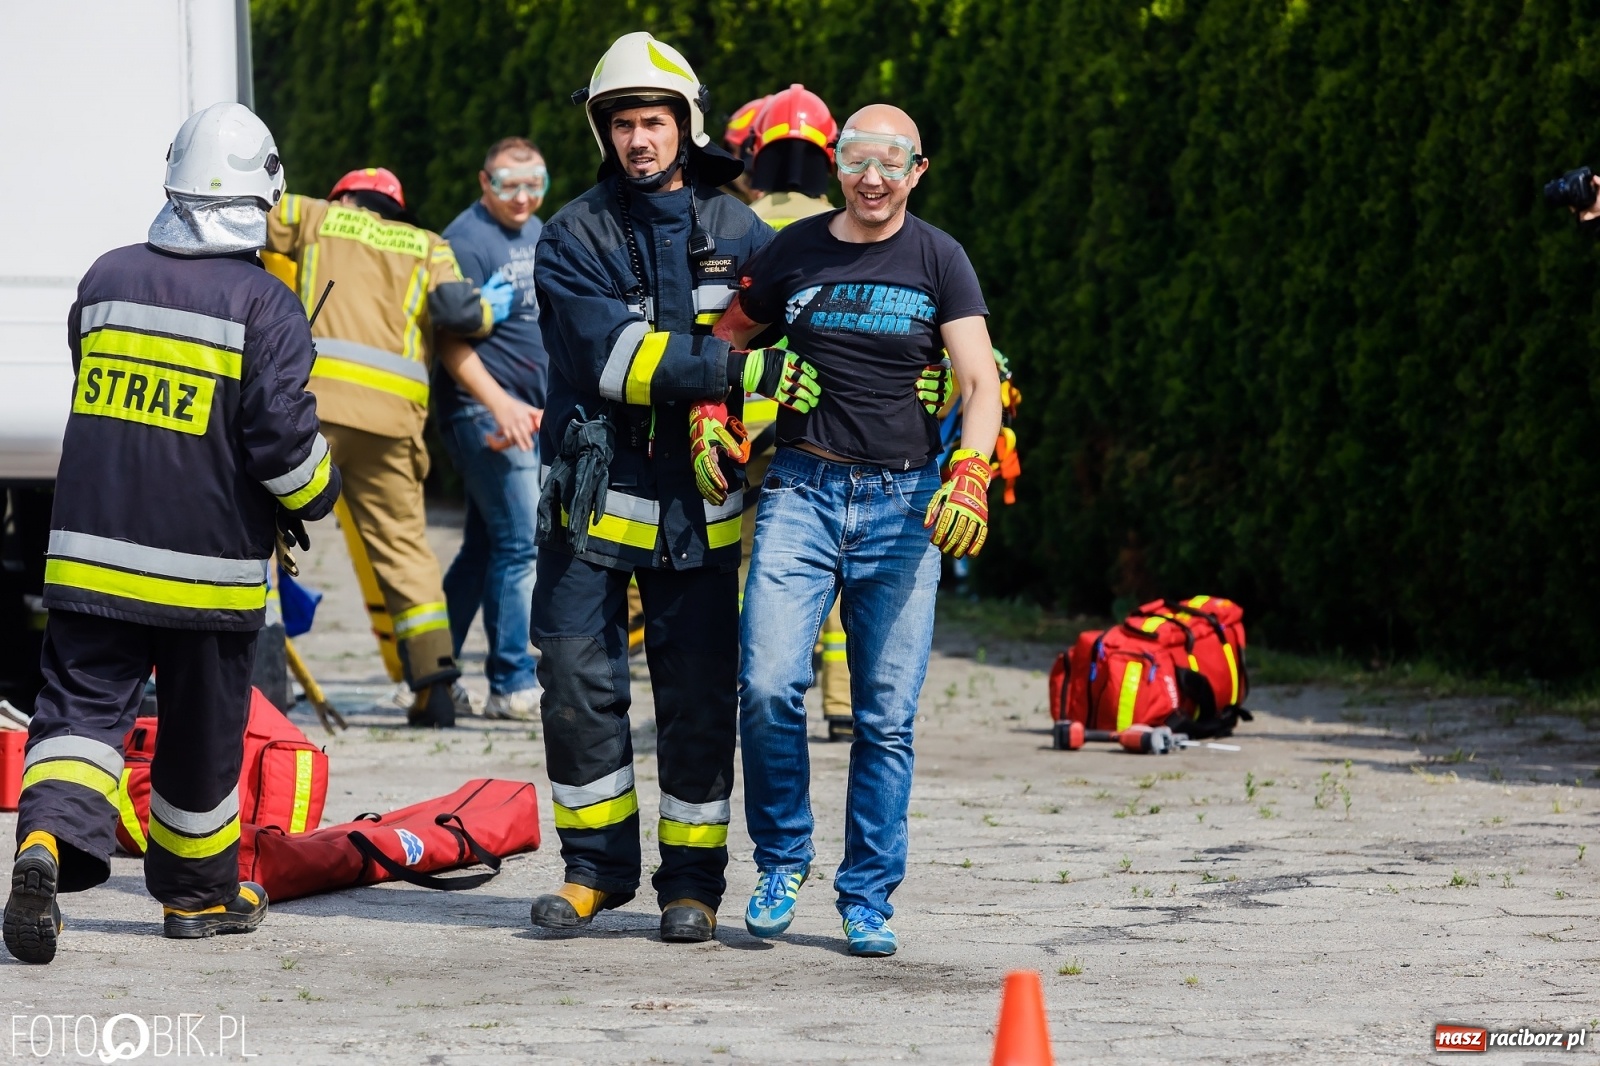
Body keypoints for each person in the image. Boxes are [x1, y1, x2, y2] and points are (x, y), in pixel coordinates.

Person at [3, 103, 341, 964]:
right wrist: (320, 492)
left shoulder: (104, 278)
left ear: (172, 183)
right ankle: (198, 899)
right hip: (207, 575)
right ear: (263, 199)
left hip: (92, 560)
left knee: (78, 717)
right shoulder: (267, 305)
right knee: (200, 737)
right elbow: (282, 446)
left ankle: (42, 844)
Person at [526, 31, 814, 944]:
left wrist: (920, 365)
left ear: (685, 125)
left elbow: (800, 338)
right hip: (591, 500)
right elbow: (611, 360)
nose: (638, 140)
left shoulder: (743, 233)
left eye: (652, 122)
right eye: (622, 125)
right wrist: (733, 373)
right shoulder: (572, 235)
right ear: (603, 132)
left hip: (700, 506)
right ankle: (593, 872)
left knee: (698, 698)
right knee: (576, 686)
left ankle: (692, 886)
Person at [726, 104, 1002, 957]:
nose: (872, 178)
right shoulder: (793, 249)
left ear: (918, 170)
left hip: (904, 507)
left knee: (885, 717)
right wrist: (732, 396)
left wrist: (971, 471)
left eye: (891, 162)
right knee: (767, 685)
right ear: (836, 165)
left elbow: (980, 381)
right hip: (800, 491)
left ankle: (868, 896)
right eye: (856, 160)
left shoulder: (940, 258)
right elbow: (726, 338)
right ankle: (782, 861)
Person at [266, 167, 505, 727]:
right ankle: (435, 686)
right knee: (403, 549)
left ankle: (254, 673)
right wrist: (491, 307)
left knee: (258, 529)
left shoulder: (315, 215)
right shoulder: (428, 245)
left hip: (315, 410)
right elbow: (462, 315)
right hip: (392, 421)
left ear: (345, 196)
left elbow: (245, 215)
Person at [739, 83, 857, 741]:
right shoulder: (845, 228)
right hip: (823, 430)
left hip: (744, 424)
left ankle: (753, 694)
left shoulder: (737, 226)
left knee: (748, 567)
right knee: (832, 565)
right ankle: (842, 704)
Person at [435, 137, 550, 721]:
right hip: (486, 412)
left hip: (528, 414)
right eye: (509, 185)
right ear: (485, 183)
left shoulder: (537, 231)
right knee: (521, 543)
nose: (523, 197)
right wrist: (502, 404)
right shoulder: (464, 241)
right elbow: (449, 343)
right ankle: (511, 682)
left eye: (535, 184)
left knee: (484, 549)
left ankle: (431, 671)